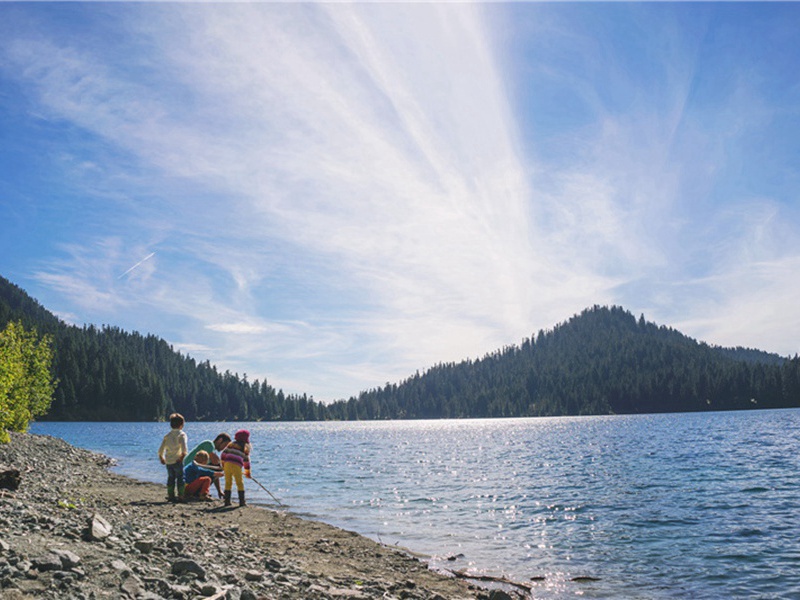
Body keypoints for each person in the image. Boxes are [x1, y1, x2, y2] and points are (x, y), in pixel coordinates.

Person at [157, 413, 188, 502]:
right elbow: (184, 447)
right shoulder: (182, 435)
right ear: (182, 425)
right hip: (178, 460)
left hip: (169, 461)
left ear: (171, 425)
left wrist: (161, 457)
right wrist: (183, 456)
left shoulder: (167, 436)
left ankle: (171, 495)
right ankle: (181, 495)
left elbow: (161, 449)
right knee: (180, 478)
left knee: (171, 478)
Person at [220, 429, 251, 507]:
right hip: (236, 466)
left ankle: (227, 501)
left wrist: (223, 464)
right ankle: (242, 502)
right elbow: (246, 462)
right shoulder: (245, 448)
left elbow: (223, 454)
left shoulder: (230, 445)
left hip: (227, 464)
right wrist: (247, 473)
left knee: (228, 482)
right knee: (239, 483)